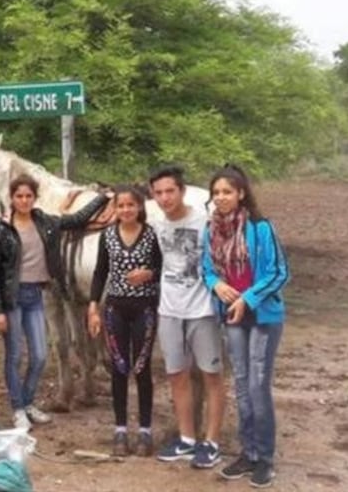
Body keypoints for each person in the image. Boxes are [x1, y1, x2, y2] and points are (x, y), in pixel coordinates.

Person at [0, 173, 110, 430]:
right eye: (19, 196)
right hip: (13, 298)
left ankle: (28, 402)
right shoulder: (2, 229)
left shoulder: (44, 222)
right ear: (11, 199)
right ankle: (18, 408)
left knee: (40, 355)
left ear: (35, 198)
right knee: (14, 356)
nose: (23, 200)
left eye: (28, 196)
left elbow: (76, 219)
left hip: (37, 295)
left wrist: (102, 197)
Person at [202, 165, 288, 488]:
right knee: (241, 384)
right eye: (216, 192)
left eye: (227, 191)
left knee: (257, 386)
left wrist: (247, 299)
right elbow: (205, 267)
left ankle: (265, 458)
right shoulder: (210, 230)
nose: (221, 197)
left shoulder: (260, 227)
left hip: (262, 316)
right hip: (232, 316)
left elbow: (279, 272)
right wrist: (216, 284)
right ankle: (248, 453)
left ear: (241, 193)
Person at [149, 164, 225, 468]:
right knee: (177, 375)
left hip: (202, 310)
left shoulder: (206, 221)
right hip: (169, 310)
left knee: (211, 376)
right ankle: (187, 438)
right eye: (159, 193)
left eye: (170, 191)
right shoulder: (156, 223)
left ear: (182, 191)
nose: (165, 198)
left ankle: (212, 441)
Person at [87, 185, 162, 456]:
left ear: (140, 207)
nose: (126, 210)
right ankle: (120, 429)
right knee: (119, 368)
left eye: (131, 205)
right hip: (115, 309)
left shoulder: (152, 235)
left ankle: (145, 431)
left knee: (142, 369)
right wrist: (93, 306)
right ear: (115, 209)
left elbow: (162, 268)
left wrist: (149, 275)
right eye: (121, 206)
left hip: (145, 308)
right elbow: (100, 272)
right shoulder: (107, 235)